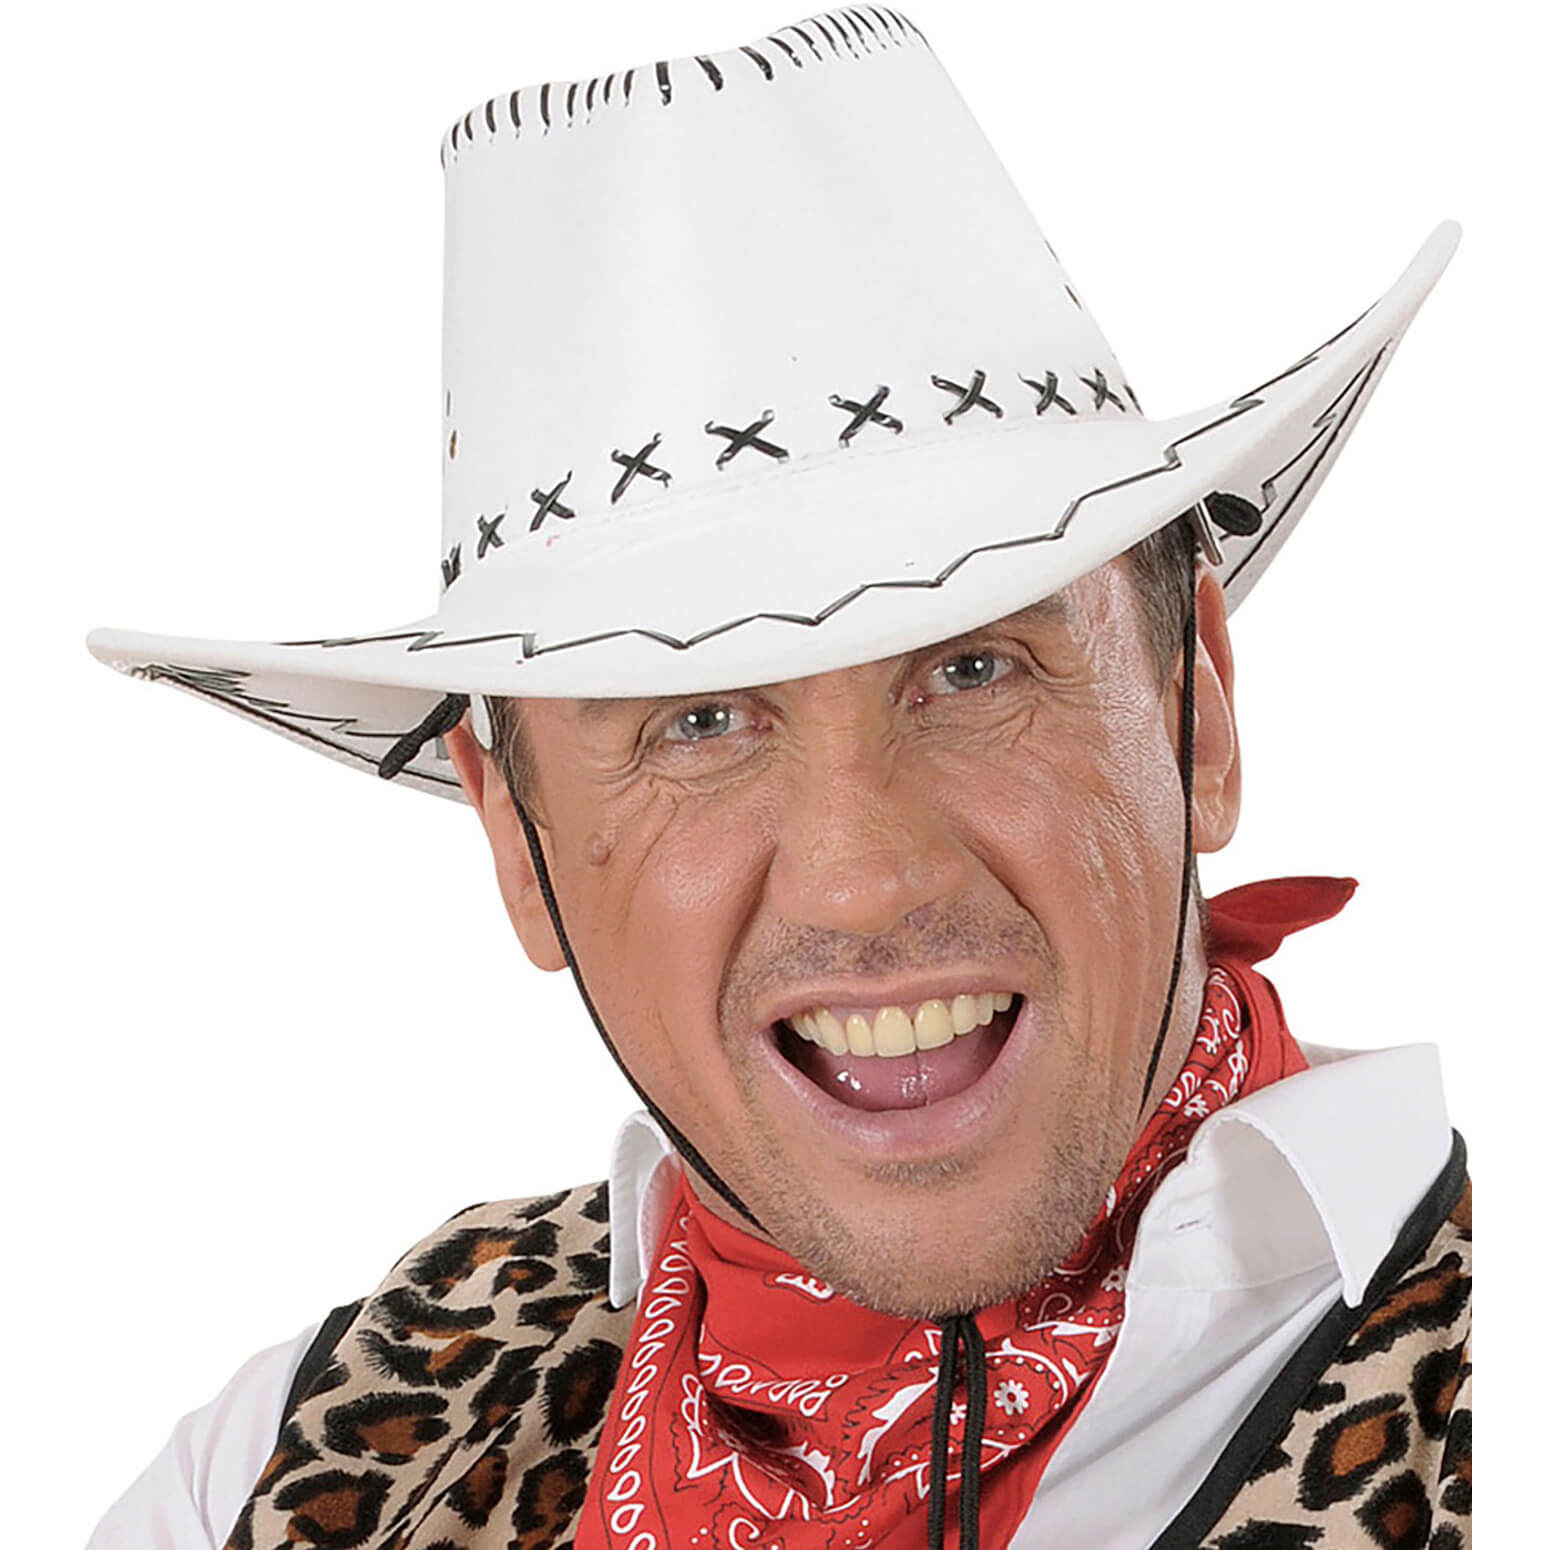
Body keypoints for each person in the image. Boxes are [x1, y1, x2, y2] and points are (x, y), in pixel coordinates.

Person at [84, 8, 1471, 1548]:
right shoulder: (273, 1473)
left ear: (1193, 715)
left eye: (973, 669)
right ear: (519, 844)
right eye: (695, 721)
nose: (862, 879)